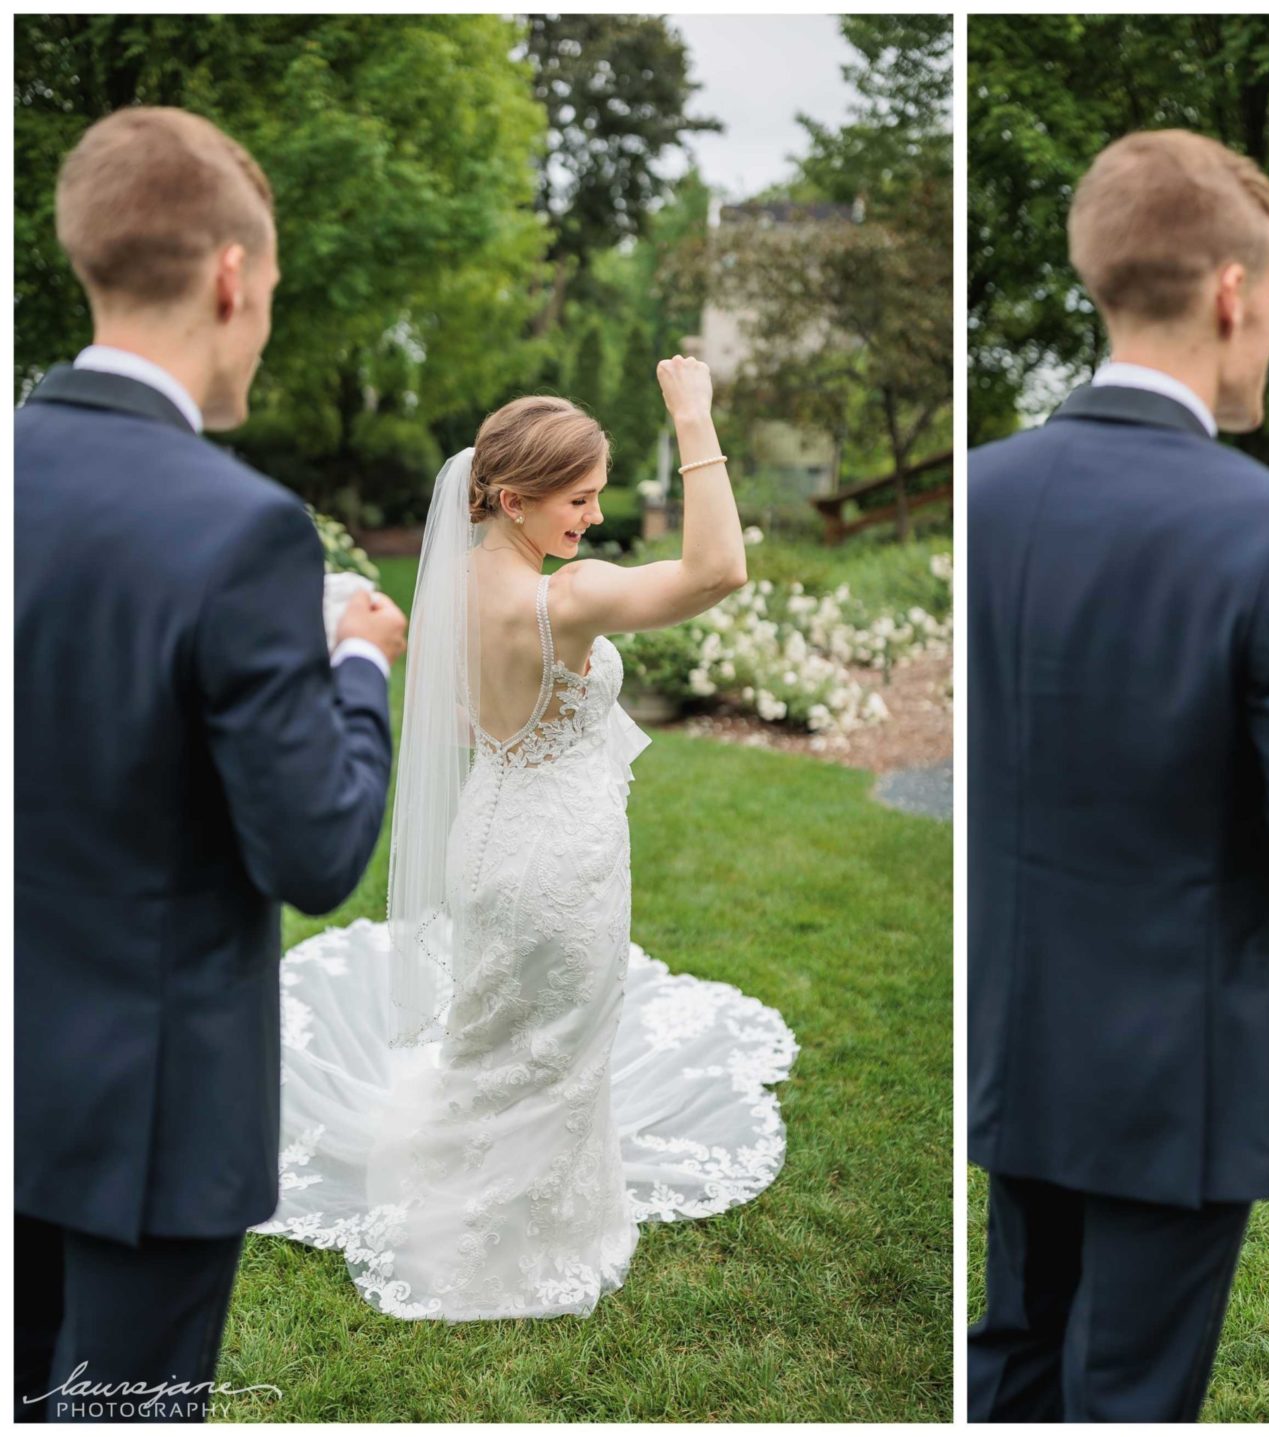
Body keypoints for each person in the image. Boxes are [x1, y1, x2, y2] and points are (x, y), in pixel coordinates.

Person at [967, 128, 1269, 1422]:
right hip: (1176, 1079)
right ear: (1228, 293)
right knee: (1132, 1395)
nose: (1267, 338)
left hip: (1019, 1038)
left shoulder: (984, 494)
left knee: (1017, 1367)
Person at [250, 374, 797, 1320]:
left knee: (492, 1040)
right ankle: (536, 1229)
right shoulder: (567, 598)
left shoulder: (448, 590)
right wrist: (694, 418)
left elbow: (467, 722)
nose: (593, 515)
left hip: (488, 836)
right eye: (578, 497)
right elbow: (716, 571)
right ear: (510, 499)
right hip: (563, 855)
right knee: (560, 1045)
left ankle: (455, 1191)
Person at [15, 107, 403, 1421]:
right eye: (274, 294)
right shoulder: (239, 535)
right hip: (149, 1115)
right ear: (232, 276)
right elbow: (316, 850)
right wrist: (357, 669)